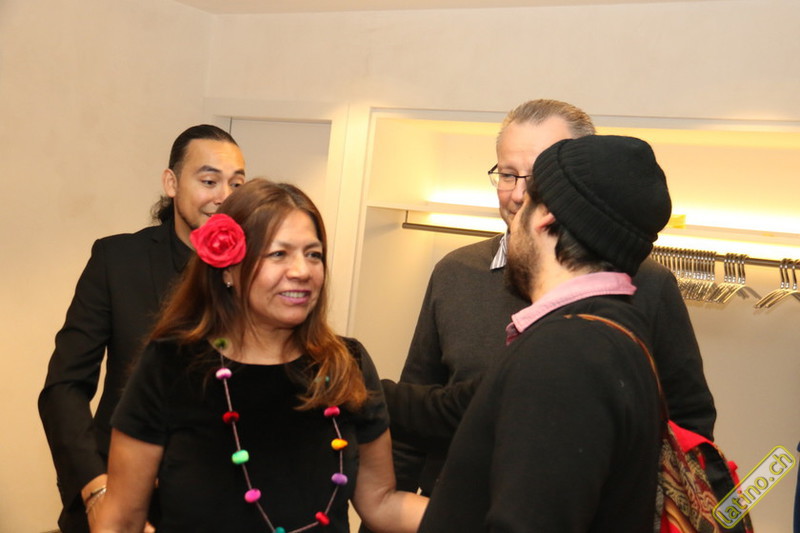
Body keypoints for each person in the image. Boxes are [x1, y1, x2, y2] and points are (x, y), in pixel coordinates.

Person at [390, 99, 716, 496]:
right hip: (447, 506)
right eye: (507, 175)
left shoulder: (647, 285)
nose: (518, 195)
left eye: (539, 177)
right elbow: (423, 407)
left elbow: (688, 421)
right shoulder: (455, 271)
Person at [94, 179, 427, 533]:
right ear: (228, 269)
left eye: (313, 254)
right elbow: (122, 520)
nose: (302, 271)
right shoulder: (171, 364)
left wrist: (465, 514)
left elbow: (381, 502)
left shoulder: (346, 364)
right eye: (278, 254)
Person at [419, 134, 670, 532]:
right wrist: (353, 380)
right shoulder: (611, 329)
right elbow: (455, 405)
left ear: (545, 217)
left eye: (528, 201)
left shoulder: (566, 353)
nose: (515, 207)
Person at [38, 124, 246, 533]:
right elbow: (64, 387)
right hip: (116, 496)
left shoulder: (256, 273)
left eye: (236, 184)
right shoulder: (117, 260)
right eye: (209, 181)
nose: (224, 196)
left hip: (220, 505)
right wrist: (97, 491)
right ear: (171, 183)